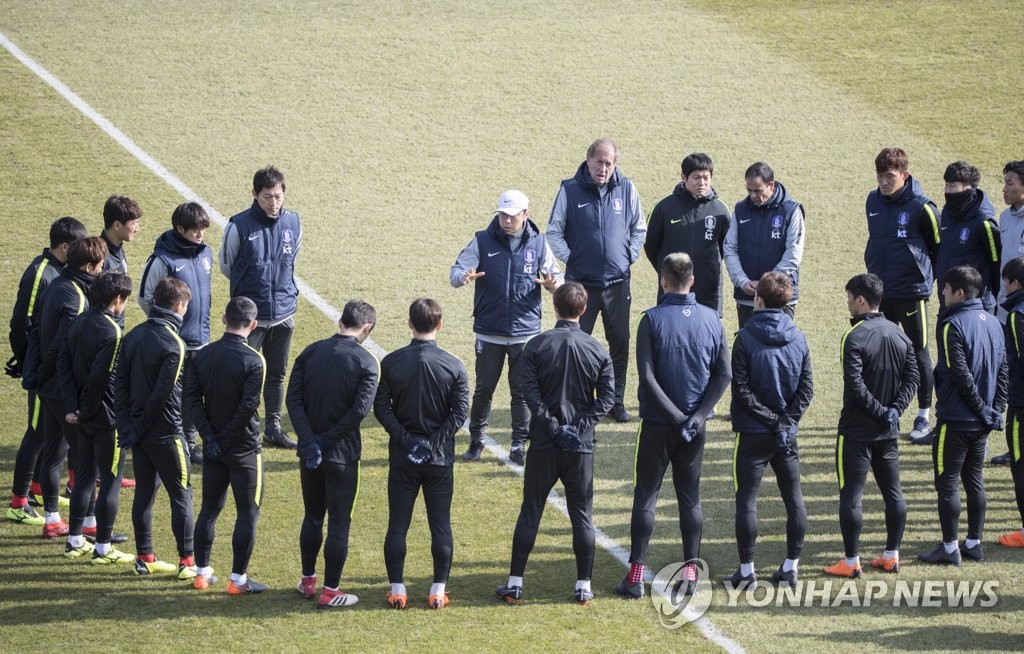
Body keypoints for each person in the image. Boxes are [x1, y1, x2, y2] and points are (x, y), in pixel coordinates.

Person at [616, 253, 731, 600]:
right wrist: (696, 418)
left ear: (663, 281)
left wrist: (677, 418)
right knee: (689, 498)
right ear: (692, 280)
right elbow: (723, 375)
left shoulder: (650, 319)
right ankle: (691, 574)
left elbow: (647, 377)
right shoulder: (712, 319)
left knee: (647, 495)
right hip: (694, 429)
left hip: (657, 423)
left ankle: (635, 576)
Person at [495, 282, 614, 606]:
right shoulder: (597, 349)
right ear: (584, 309)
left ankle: (515, 583)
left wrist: (553, 427)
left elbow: (528, 393)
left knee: (531, 510)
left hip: (544, 445)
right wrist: (576, 429)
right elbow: (606, 399)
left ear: (555, 307)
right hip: (580, 448)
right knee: (582, 515)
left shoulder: (536, 345)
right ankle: (583, 586)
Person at [450, 189, 561, 464]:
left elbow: (558, 280)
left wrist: (551, 285)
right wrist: (463, 277)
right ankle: (477, 441)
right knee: (483, 390)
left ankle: (518, 445)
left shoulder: (539, 244)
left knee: (521, 393)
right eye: (503, 215)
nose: (507, 221)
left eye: (512, 216)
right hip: (489, 332)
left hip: (526, 334)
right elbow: (455, 273)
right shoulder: (482, 240)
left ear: (526, 214)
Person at [823, 273, 919, 579]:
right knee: (893, 492)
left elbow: (855, 384)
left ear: (861, 300)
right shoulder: (899, 334)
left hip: (856, 432)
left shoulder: (853, 337)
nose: (848, 303)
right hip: (887, 432)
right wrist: (895, 411)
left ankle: (851, 562)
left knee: (851, 496)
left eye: (849, 298)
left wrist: (882, 411)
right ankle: (891, 556)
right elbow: (913, 378)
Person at [375, 299, 469, 610]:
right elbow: (459, 414)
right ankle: (438, 590)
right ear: (439, 325)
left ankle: (397, 590)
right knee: (440, 525)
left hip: (403, 459)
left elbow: (382, 409)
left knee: (397, 524)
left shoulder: (391, 362)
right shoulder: (454, 365)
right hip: (439, 461)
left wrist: (408, 442)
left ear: (409, 323)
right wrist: (432, 444)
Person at [546, 138, 646, 422]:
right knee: (575, 344)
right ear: (588, 160)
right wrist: (572, 258)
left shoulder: (627, 188)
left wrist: (628, 256)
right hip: (581, 286)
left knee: (620, 343)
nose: (603, 168)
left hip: (617, 283)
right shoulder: (569, 189)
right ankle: (577, 402)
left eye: (609, 163)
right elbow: (553, 231)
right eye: (599, 162)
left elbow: (639, 228)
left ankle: (616, 402)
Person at [287, 301, 379, 608]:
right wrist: (325, 441)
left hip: (310, 455)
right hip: (343, 457)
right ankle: (330, 591)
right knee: (340, 522)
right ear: (367, 328)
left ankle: (308, 581)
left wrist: (310, 441)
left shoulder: (310, 352)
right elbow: (358, 412)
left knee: (313, 516)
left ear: (341, 320)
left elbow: (293, 401)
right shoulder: (366, 362)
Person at [725, 272, 812, 589]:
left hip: (753, 433)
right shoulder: (799, 338)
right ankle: (791, 567)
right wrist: (785, 422)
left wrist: (772, 420)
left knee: (746, 500)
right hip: (785, 436)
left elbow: (742, 390)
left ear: (758, 299)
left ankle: (747, 570)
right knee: (794, 499)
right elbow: (806, 390)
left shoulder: (745, 338)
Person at [918, 265, 1007, 565]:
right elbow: (1003, 370)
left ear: (959, 293)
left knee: (947, 483)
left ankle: (949, 548)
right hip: (982, 422)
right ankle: (973, 543)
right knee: (975, 479)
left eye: (945, 289)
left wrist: (981, 409)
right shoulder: (994, 322)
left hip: (956, 420)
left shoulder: (951, 325)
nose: (942, 293)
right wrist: (995, 410)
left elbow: (959, 373)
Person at [6, 217, 87, 527]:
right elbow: (21, 323)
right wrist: (29, 363)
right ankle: (18, 502)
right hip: (43, 372)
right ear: (65, 247)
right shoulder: (41, 272)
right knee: (37, 433)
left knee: (52, 435)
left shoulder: (60, 272)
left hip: (52, 371)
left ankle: (39, 488)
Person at [114, 277, 197, 578]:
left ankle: (145, 556)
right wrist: (137, 427)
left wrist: (127, 425)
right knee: (182, 495)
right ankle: (187, 562)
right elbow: (161, 395)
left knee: (145, 493)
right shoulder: (175, 344)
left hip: (138, 432)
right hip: (166, 433)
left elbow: (119, 384)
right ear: (179, 305)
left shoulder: (133, 335)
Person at [185, 297, 268, 594]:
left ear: (223, 319)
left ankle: (201, 574)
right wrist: (224, 437)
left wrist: (209, 437)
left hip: (214, 449)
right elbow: (248, 407)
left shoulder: (203, 355)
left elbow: (191, 399)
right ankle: (238, 580)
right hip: (243, 449)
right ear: (253, 325)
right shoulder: (254, 360)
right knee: (247, 512)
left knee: (209, 508)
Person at [29, 236, 107, 539]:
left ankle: (52, 519)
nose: (101, 271)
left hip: (49, 388)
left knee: (52, 453)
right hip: (63, 389)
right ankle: (88, 525)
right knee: (85, 459)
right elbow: (64, 349)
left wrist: (37, 375)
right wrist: (48, 376)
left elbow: (37, 332)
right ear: (88, 266)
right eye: (100, 265)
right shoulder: (74, 296)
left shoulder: (57, 284)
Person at [220, 166, 301, 449]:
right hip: (249, 318)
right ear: (254, 194)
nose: (273, 202)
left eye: (278, 196)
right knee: (244, 375)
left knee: (277, 373)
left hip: (283, 313)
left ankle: (273, 428)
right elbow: (227, 266)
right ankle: (242, 429)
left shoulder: (293, 222)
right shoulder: (238, 225)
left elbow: (291, 261)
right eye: (267, 197)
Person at [863, 147, 941, 443]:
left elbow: (938, 248)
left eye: (890, 176)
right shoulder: (872, 200)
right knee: (882, 353)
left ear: (904, 175)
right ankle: (884, 412)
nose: (884, 182)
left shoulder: (923, 207)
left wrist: (924, 280)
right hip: (880, 293)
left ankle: (923, 416)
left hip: (911, 293)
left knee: (918, 353)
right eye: (880, 176)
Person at [56, 272, 133, 562]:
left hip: (81, 416)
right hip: (106, 419)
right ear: (117, 299)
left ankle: (75, 540)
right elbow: (100, 378)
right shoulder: (113, 332)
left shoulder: (77, 322)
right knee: (110, 481)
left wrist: (72, 408)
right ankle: (102, 547)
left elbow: (63, 364)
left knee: (84, 477)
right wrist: (86, 410)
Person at [140, 201, 214, 465]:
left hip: (201, 340)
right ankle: (168, 442)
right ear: (180, 229)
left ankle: (189, 444)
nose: (200, 234)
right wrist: (167, 327)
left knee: (194, 395)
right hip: (174, 343)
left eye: (203, 229)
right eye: (195, 230)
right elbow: (145, 297)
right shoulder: (162, 260)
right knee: (171, 395)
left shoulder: (206, 254)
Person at [644, 152, 731, 312]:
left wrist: (708, 269)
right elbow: (650, 246)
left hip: (708, 290)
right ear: (684, 177)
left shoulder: (720, 210)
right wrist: (671, 272)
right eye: (696, 177)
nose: (702, 183)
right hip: (673, 288)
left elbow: (727, 247)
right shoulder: (663, 207)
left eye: (706, 177)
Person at [724, 162, 805, 328]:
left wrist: (767, 284)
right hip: (748, 296)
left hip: (779, 297)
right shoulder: (740, 210)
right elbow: (730, 248)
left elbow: (793, 254)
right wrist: (742, 281)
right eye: (749, 190)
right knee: (747, 342)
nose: (753, 195)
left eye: (758, 190)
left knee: (780, 342)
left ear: (771, 185)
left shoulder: (791, 211)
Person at [933, 161, 1000, 315]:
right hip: (948, 299)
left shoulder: (984, 223)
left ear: (968, 187)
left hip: (976, 306)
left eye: (952, 186)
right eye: (946, 185)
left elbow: (996, 265)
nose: (947, 191)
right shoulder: (947, 213)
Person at [991, 161, 1024, 466]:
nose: (1004, 189)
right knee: (1010, 373)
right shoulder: (1004, 217)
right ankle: (1015, 442)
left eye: (1010, 183)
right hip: (1005, 311)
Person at [997, 257, 1024, 546]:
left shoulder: (1018, 316)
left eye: (1005, 281)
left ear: (1015, 283)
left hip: (1021, 404)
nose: (1003, 286)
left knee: (1020, 465)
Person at [100, 195, 142, 275]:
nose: (137, 229)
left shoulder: (118, 249)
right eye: (133, 223)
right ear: (117, 225)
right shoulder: (99, 257)